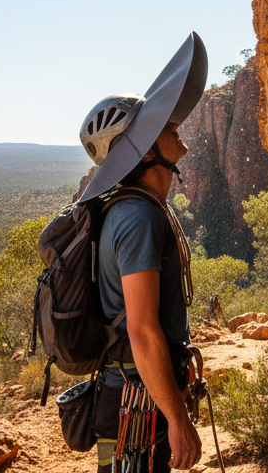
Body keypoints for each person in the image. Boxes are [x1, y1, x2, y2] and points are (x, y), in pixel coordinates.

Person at [75, 31, 208, 472]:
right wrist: (178, 419)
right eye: (164, 127)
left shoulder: (132, 209)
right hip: (134, 401)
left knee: (113, 469)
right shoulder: (139, 218)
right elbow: (143, 331)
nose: (175, 128)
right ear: (146, 149)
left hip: (122, 395)